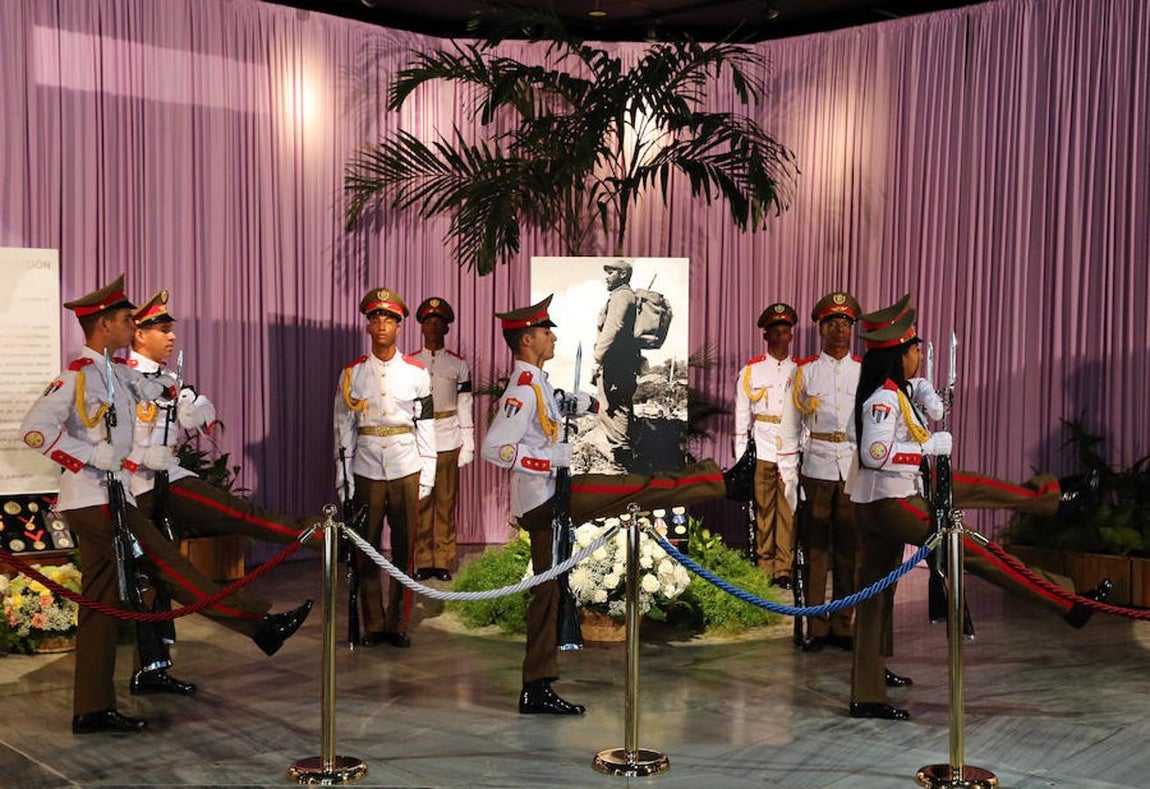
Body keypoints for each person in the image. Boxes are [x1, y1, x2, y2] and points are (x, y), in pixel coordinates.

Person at [19, 275, 312, 735]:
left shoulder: (114, 374)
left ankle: (91, 709)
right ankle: (258, 624)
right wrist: (87, 456)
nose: (131, 326)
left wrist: (176, 412)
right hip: (94, 499)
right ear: (103, 326)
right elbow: (34, 431)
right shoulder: (75, 377)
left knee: (99, 604)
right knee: (168, 566)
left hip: (109, 496)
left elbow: (155, 398)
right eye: (124, 320)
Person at [482, 295, 745, 715]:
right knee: (635, 489)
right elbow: (495, 449)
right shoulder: (522, 391)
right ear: (528, 339)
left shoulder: (538, 385)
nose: (552, 337)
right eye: (546, 331)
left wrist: (578, 403)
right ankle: (722, 483)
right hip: (546, 501)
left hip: (555, 494)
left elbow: (549, 416)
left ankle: (536, 687)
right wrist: (547, 458)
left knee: (548, 594)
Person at [847, 295, 1098, 721]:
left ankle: (866, 691)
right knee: (975, 552)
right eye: (914, 352)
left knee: (875, 596)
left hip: (887, 498)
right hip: (892, 501)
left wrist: (923, 398)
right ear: (896, 354)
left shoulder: (895, 392)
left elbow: (897, 435)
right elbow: (875, 454)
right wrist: (927, 445)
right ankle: (1064, 600)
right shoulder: (882, 400)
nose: (919, 357)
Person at [126, 289, 323, 694]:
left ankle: (311, 535)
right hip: (139, 487)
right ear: (138, 333)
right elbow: (108, 437)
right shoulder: (119, 376)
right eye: (162, 329)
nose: (171, 336)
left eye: (170, 328)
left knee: (230, 520)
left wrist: (197, 405)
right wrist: (143, 455)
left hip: (168, 478)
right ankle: (153, 665)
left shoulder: (166, 379)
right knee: (166, 575)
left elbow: (195, 417)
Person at [333, 287, 436, 649]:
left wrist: (429, 471)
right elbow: (343, 426)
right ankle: (373, 624)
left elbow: (425, 423)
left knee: (406, 547)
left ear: (399, 327)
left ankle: (399, 623)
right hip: (365, 467)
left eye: (389, 319)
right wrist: (342, 475)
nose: (382, 325)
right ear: (367, 326)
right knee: (367, 548)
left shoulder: (417, 373)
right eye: (375, 318)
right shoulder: (353, 374)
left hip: (406, 464)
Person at [792, 291, 863, 652]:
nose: (839, 330)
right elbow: (793, 427)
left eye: (846, 324)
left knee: (849, 551)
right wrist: (792, 477)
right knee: (817, 550)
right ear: (820, 328)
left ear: (852, 329)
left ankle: (843, 624)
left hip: (851, 468)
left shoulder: (863, 372)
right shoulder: (805, 373)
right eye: (832, 323)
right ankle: (816, 627)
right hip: (817, 466)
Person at [733, 302, 802, 585]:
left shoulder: (801, 371)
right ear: (766, 335)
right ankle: (764, 566)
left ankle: (783, 569)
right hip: (761, 445)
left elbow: (806, 412)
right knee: (763, 510)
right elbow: (741, 414)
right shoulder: (752, 370)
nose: (780, 336)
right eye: (775, 331)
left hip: (790, 447)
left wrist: (804, 445)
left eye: (785, 331)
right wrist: (740, 456)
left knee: (787, 509)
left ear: (791, 336)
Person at [411, 297, 474, 582]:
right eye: (428, 322)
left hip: (448, 440)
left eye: (439, 322)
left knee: (446, 504)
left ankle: (444, 560)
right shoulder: (410, 363)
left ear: (447, 328)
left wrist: (468, 441)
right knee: (422, 504)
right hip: (418, 443)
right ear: (421, 327)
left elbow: (465, 404)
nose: (433, 327)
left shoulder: (458, 364)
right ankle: (423, 560)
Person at [593, 259, 643, 471]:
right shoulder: (622, 295)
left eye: (611, 272)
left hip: (617, 364)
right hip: (621, 362)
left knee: (616, 408)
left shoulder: (622, 296)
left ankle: (621, 462)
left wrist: (597, 358)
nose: (606, 276)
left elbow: (613, 327)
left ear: (623, 275)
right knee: (613, 407)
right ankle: (623, 456)